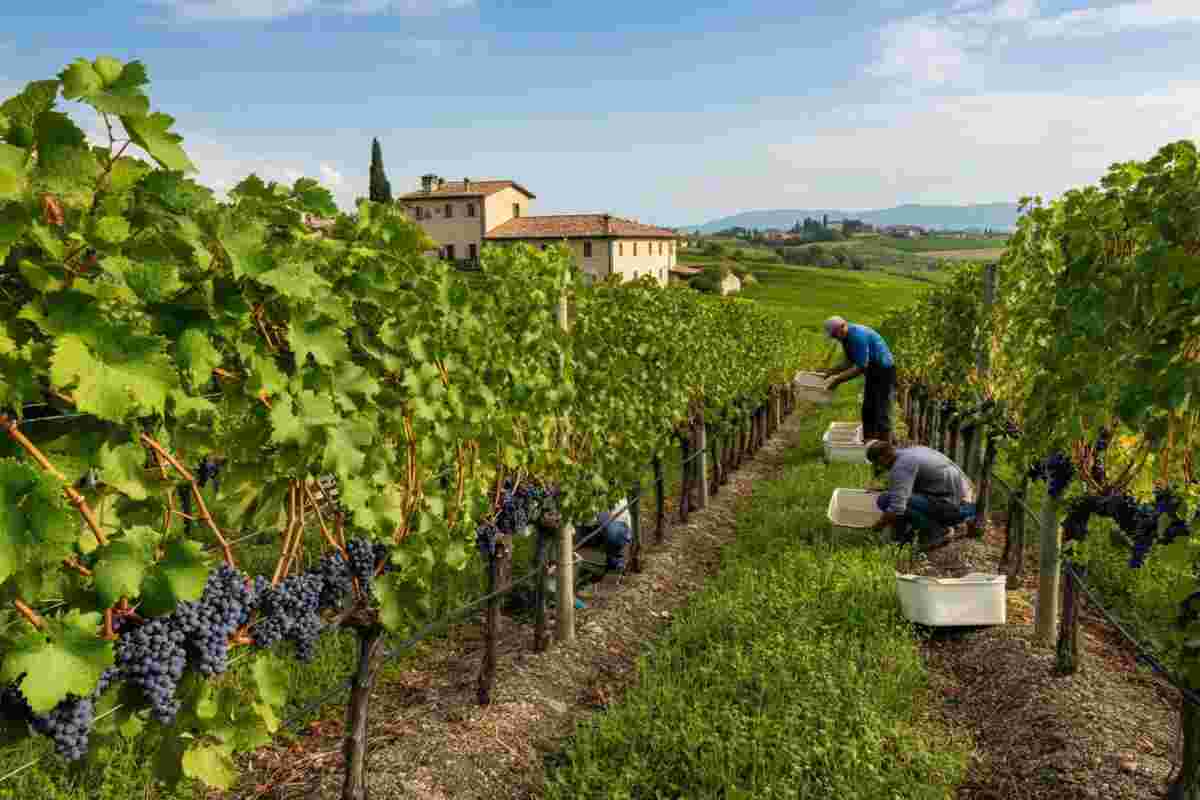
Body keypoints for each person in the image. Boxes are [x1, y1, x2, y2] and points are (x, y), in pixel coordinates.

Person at [864, 440, 975, 549]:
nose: (879, 467)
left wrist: (877, 527)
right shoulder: (910, 453)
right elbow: (908, 486)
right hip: (966, 500)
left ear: (882, 458)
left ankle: (936, 531)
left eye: (877, 464)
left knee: (886, 500)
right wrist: (885, 488)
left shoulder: (901, 466)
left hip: (957, 507)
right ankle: (907, 535)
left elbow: (896, 508)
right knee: (894, 497)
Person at [820, 316, 897, 444]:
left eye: (834, 335)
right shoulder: (846, 337)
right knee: (868, 408)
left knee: (881, 408)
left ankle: (887, 446)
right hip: (872, 370)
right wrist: (830, 372)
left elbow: (861, 367)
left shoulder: (857, 336)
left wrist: (837, 380)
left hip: (884, 371)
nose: (835, 338)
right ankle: (869, 443)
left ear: (841, 327)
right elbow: (849, 362)